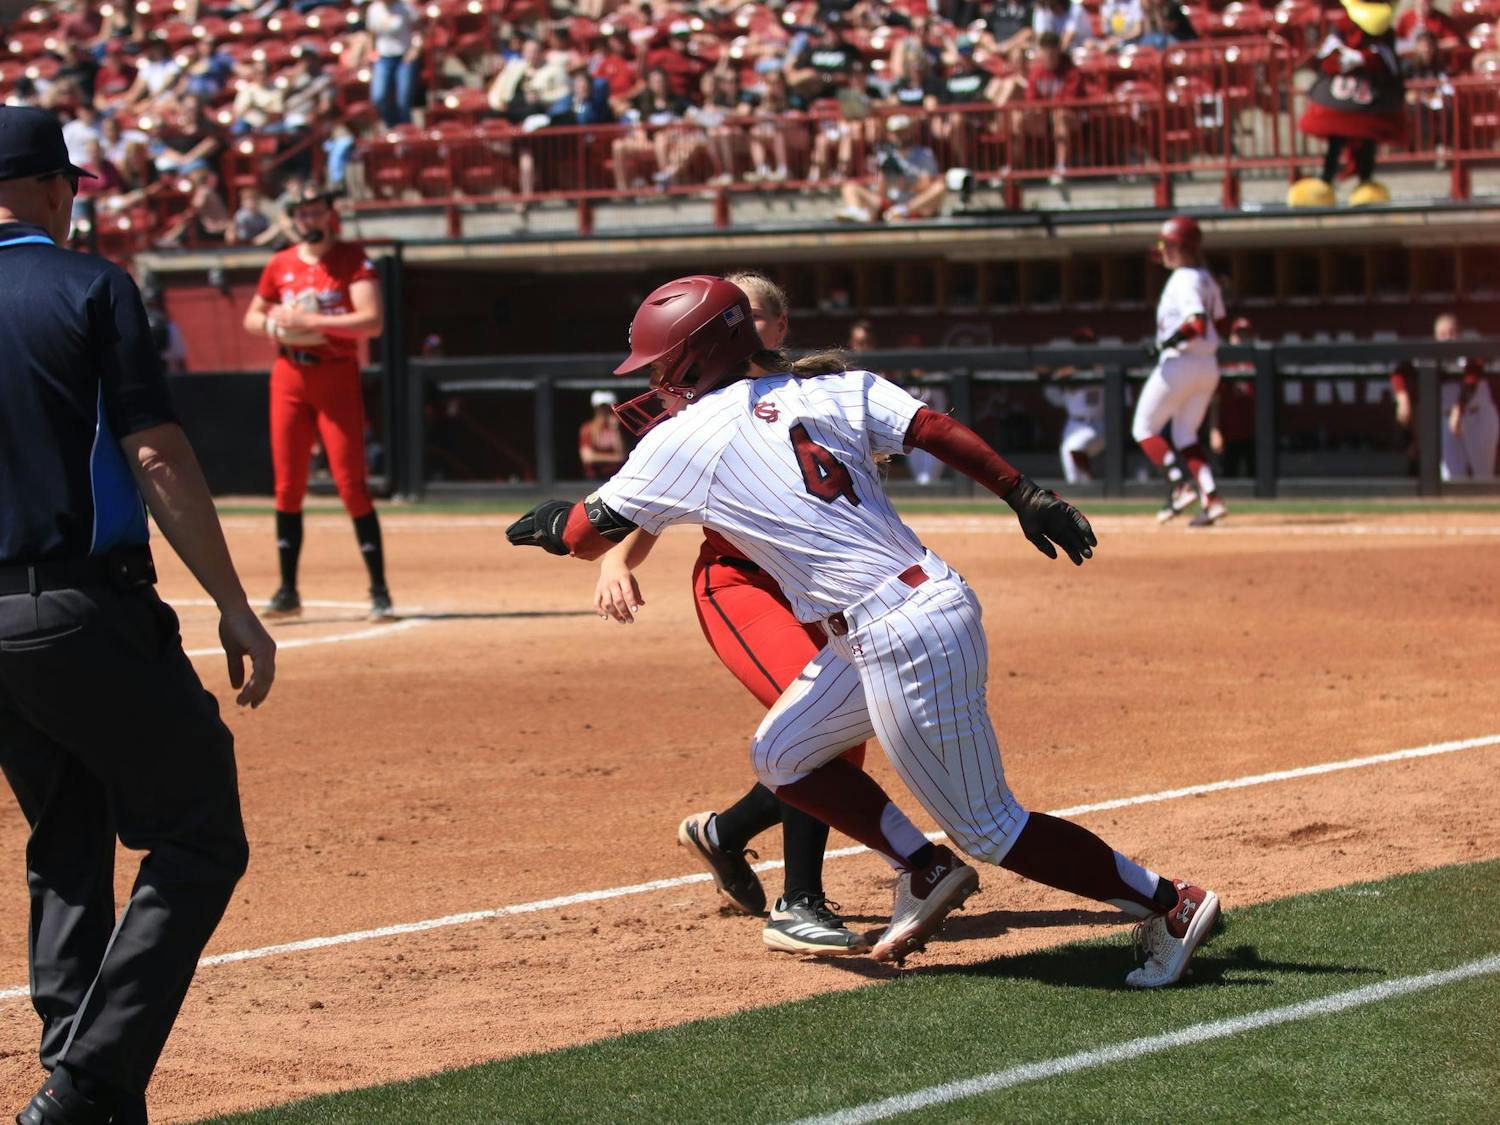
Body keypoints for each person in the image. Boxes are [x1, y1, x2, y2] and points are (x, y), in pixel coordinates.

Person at [508, 274, 1221, 983]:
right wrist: (1024, 493)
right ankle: (922, 864)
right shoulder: (832, 384)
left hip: (899, 633)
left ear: (699, 354)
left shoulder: (687, 435)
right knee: (782, 752)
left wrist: (548, 521)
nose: (657, 380)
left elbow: (583, 535)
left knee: (991, 828)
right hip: (906, 609)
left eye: (662, 364)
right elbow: (934, 430)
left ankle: (1171, 904)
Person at [0, 105, 275, 1125]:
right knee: (201, 833)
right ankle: (87, 1087)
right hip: (79, 607)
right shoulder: (89, 285)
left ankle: (81, 1081)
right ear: (55, 188)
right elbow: (154, 453)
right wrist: (234, 606)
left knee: (67, 833)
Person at [591, 272, 921, 956]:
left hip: (825, 585)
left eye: (747, 315)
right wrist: (615, 559)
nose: (732, 326)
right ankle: (799, 901)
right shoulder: (699, 408)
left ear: (776, 325)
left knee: (830, 734)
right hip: (741, 583)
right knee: (818, 726)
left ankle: (724, 834)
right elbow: (650, 500)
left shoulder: (808, 389)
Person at [242, 183, 395, 620]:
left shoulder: (351, 259)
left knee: (351, 484)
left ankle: (379, 589)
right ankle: (287, 590)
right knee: (288, 485)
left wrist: (309, 319)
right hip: (289, 373)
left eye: (315, 212)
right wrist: (276, 326)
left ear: (330, 213)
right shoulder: (281, 262)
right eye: (301, 214)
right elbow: (252, 317)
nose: (309, 220)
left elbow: (372, 321)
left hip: (334, 374)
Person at [1133, 216, 1234, 527]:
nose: (1164, 251)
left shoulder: (1183, 278)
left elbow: (1197, 323)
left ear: (1182, 247)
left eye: (1169, 246)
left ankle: (1179, 485)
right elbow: (1221, 326)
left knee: (1143, 428)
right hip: (1208, 366)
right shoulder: (1207, 278)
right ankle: (1212, 499)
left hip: (1181, 362)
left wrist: (1166, 342)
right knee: (1185, 435)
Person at [1391, 313, 1499, 481]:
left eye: (1452, 332)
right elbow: (1399, 372)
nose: (1448, 338)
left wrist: (1459, 408)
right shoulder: (1431, 356)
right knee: (1451, 478)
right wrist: (1402, 397)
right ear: (1435, 337)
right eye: (1443, 334)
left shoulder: (1471, 352)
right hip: (1448, 419)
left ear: (1461, 334)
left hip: (1477, 417)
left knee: (1483, 476)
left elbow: (1471, 380)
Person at [835, 114, 946, 223]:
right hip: (888, 206)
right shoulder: (883, 156)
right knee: (849, 186)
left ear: (910, 131)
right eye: (896, 132)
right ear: (890, 134)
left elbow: (926, 185)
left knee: (940, 188)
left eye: (903, 132)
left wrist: (904, 183)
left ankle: (903, 211)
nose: (899, 136)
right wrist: (885, 179)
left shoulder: (925, 154)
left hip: (914, 204)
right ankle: (856, 212)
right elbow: (879, 192)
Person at [579, 389, 627, 478]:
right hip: (594, 478)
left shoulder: (615, 428)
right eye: (601, 408)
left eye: (607, 408)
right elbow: (587, 457)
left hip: (614, 477)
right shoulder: (588, 428)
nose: (604, 411)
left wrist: (615, 430)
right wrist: (615, 458)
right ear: (595, 409)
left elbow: (622, 455)